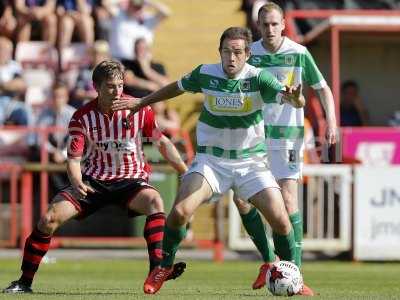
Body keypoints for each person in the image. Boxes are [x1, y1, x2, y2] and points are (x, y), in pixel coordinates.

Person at [111, 26, 311, 295]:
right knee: (180, 212)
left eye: (238, 52)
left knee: (281, 221)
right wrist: (141, 102)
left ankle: (293, 278)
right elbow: (175, 88)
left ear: (247, 54)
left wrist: (297, 98)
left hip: (250, 163)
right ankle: (165, 266)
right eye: (227, 51)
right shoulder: (205, 73)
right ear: (220, 52)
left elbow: (291, 98)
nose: (231, 58)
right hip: (211, 162)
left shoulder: (259, 79)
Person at [2, 60, 188, 294]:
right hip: (94, 181)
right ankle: (24, 282)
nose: (117, 91)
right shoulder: (82, 116)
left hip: (131, 180)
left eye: (120, 85)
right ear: (96, 87)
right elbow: (73, 158)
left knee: (155, 201)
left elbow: (162, 142)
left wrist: (184, 171)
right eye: (110, 86)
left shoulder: (139, 109)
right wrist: (77, 182)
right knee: (48, 219)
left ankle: (157, 270)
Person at [233, 2, 337, 291]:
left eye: (274, 24)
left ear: (283, 24)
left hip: (288, 138)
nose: (269, 29)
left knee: (289, 201)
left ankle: (297, 276)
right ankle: (268, 260)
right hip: (253, 137)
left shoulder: (298, 53)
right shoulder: (249, 54)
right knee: (241, 199)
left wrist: (332, 122)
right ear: (258, 25)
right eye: (264, 24)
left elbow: (323, 88)